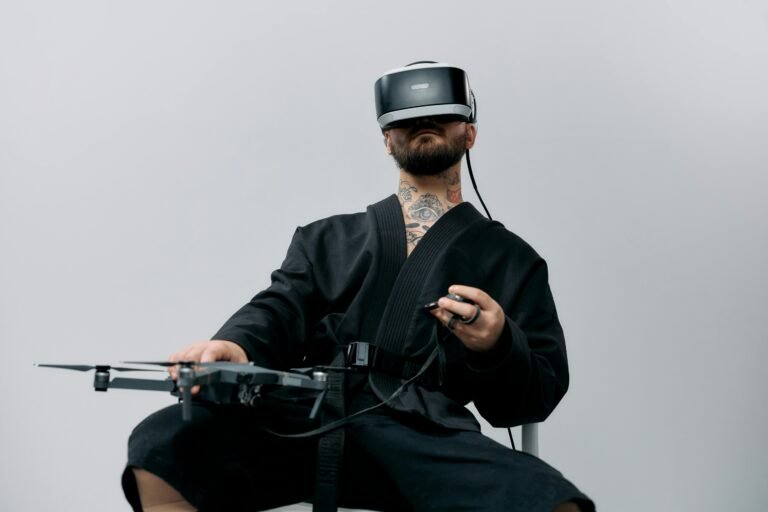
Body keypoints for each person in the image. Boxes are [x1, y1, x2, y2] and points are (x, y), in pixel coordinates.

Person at [122, 62, 594, 512]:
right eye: (407, 120)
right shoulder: (325, 238)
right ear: (387, 140)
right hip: (302, 420)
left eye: (440, 117)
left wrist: (497, 344)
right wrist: (235, 344)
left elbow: (533, 398)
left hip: (422, 435)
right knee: (163, 444)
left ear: (470, 133)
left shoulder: (512, 260)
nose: (423, 123)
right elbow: (279, 307)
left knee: (549, 499)